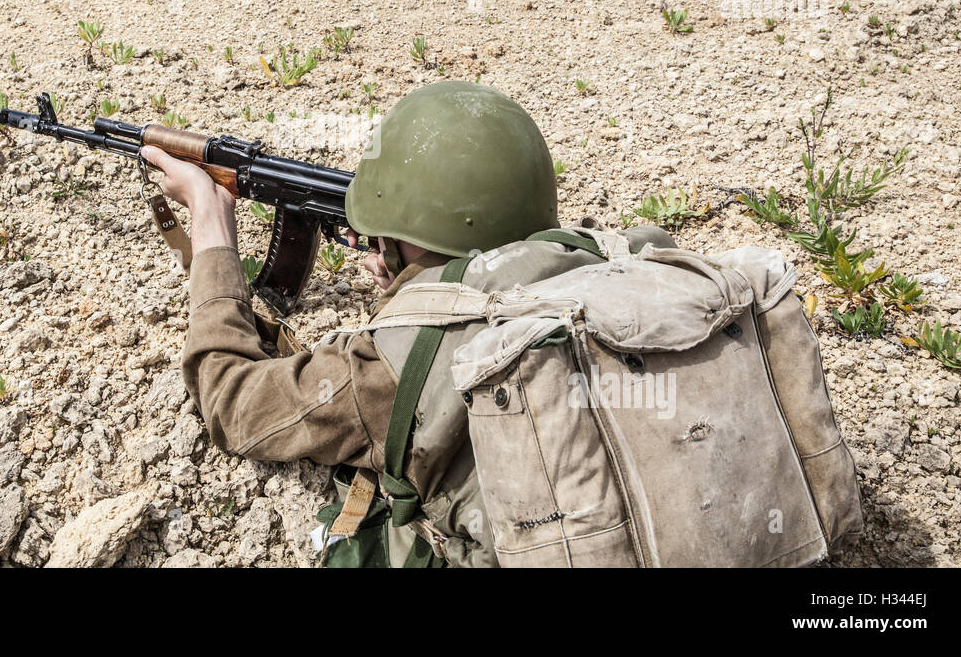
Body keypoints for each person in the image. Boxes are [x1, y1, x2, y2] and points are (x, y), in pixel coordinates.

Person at [140, 81, 675, 566]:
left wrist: (211, 224)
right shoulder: (629, 258)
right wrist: (423, 285)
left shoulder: (388, 371)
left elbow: (231, 402)